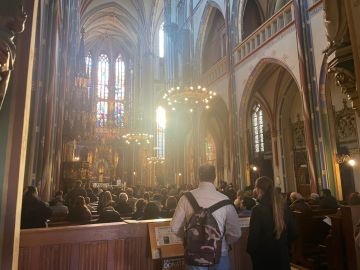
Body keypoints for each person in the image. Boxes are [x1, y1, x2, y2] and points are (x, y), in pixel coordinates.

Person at [171, 164, 241, 270]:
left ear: (198, 177)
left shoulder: (185, 198)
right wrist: (222, 242)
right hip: (220, 253)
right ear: (214, 177)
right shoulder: (225, 200)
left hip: (194, 253)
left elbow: (175, 227)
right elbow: (236, 232)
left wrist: (189, 240)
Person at [247, 176, 296, 270]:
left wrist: (253, 253)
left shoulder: (257, 210)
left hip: (264, 258)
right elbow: (293, 232)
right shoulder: (284, 207)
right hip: (282, 256)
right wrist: (284, 246)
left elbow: (253, 239)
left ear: (259, 190)